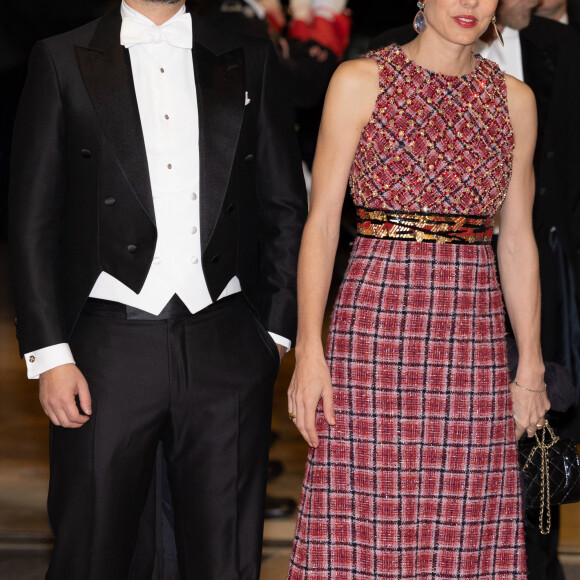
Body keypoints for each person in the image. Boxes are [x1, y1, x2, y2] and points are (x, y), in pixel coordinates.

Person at [9, 0, 307, 578]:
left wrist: (272, 333)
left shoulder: (246, 53)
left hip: (225, 339)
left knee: (226, 555)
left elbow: (284, 205)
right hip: (105, 347)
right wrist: (49, 354)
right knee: (91, 549)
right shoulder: (61, 57)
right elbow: (31, 222)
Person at [286, 0, 550, 577]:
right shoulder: (361, 81)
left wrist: (529, 367)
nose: (468, 4)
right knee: (362, 518)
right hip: (374, 326)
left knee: (469, 517)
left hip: (473, 338)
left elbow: (518, 242)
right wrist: (310, 350)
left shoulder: (516, 101)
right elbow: (323, 224)